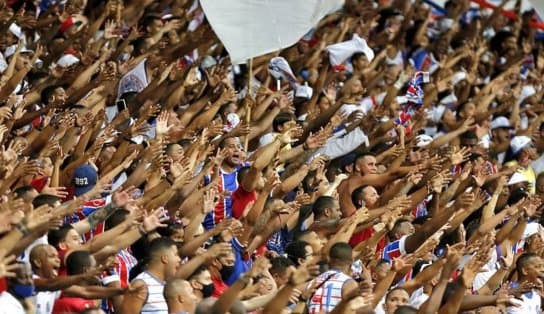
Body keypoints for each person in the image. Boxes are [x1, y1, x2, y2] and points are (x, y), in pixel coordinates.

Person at [122, 237, 181, 313]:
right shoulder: (140, 285)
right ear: (165, 258)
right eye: (176, 255)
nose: (179, 259)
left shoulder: (167, 285)